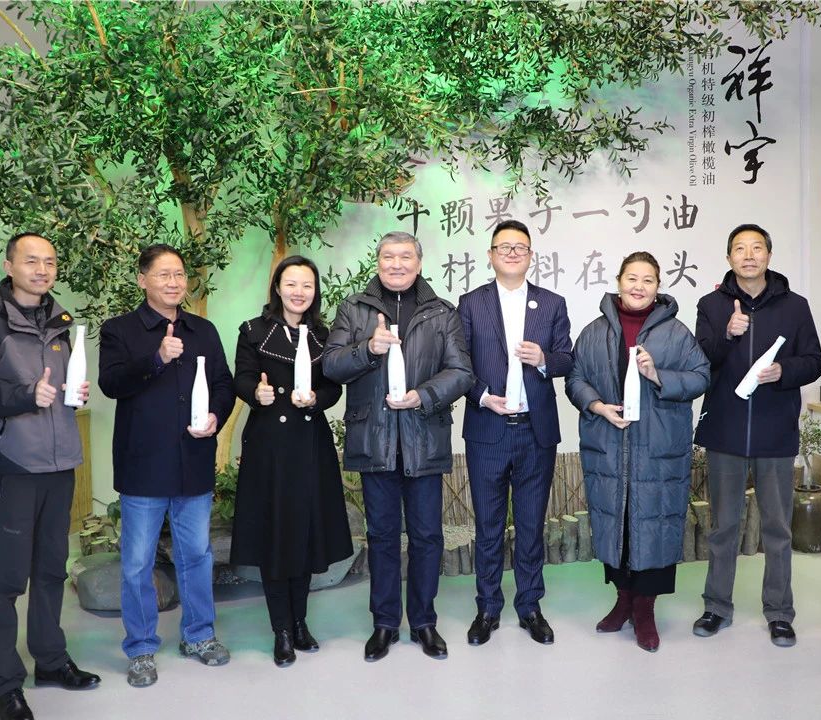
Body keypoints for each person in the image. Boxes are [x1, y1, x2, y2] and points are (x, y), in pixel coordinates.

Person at [0, 232, 100, 720]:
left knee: (52, 569)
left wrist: (73, 394)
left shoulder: (60, 321)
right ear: (10, 265)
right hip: (12, 465)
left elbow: (56, 390)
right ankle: (5, 685)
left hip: (58, 463)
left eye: (50, 262)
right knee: (6, 580)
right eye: (32, 261)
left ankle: (51, 661)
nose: (42, 270)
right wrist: (24, 395)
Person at [323, 231, 474, 662]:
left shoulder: (442, 311)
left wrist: (422, 396)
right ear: (378, 262)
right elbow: (331, 365)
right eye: (388, 256)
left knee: (427, 537)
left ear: (419, 263)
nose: (396, 263)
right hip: (375, 439)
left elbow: (461, 371)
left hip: (424, 438)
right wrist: (368, 349)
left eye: (405, 256)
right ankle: (385, 623)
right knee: (382, 536)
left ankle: (424, 621)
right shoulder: (354, 308)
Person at [98, 244, 235, 688]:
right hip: (143, 466)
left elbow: (224, 384)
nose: (174, 282)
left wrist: (215, 416)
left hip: (193, 461)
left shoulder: (203, 330)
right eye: (163, 274)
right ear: (143, 280)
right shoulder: (119, 330)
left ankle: (199, 635)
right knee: (137, 563)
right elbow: (111, 383)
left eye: (179, 274)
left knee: (196, 555)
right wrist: (156, 358)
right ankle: (140, 648)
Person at [565, 252, 709, 651]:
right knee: (617, 525)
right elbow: (575, 377)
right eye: (632, 278)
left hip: (658, 449)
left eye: (648, 280)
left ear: (658, 286)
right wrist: (597, 405)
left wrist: (657, 375)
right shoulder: (595, 331)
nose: (639, 286)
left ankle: (644, 610)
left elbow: (701, 377)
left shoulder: (676, 333)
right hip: (609, 447)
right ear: (619, 281)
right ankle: (622, 601)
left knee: (655, 526)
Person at [691, 224, 821, 647]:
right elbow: (701, 361)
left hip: (774, 430)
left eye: (757, 248)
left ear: (768, 254)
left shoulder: (795, 306)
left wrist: (785, 371)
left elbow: (814, 361)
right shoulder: (711, 305)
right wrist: (727, 336)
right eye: (740, 249)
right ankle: (717, 606)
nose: (748, 256)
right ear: (729, 257)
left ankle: (780, 612)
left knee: (778, 527)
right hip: (725, 429)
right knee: (723, 526)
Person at [231, 256, 353, 667]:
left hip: (309, 445)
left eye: (307, 285)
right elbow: (242, 376)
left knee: (304, 534)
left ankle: (300, 622)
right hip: (268, 447)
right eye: (291, 284)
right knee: (275, 537)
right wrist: (256, 393)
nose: (299, 292)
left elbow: (334, 386)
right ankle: (281, 630)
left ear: (315, 292)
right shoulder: (253, 330)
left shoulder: (324, 335)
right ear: (278, 288)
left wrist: (317, 399)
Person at [456, 220, 574, 647]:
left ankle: (529, 607)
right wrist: (482, 396)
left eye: (519, 247)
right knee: (488, 527)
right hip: (487, 430)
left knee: (530, 525)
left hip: (534, 432)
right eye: (503, 246)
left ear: (530, 256)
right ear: (490, 255)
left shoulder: (551, 303)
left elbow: (567, 359)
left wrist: (544, 359)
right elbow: (457, 364)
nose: (511, 253)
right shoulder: (470, 303)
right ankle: (488, 607)